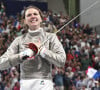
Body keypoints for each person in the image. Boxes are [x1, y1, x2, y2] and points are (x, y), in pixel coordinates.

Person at [0, 5, 66, 90]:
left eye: (35, 14)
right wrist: (22, 55)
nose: (33, 16)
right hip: (25, 84)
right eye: (29, 15)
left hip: (45, 83)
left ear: (41, 18)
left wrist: (43, 51)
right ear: (24, 21)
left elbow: (61, 60)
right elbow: (1, 64)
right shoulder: (19, 40)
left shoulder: (51, 37)